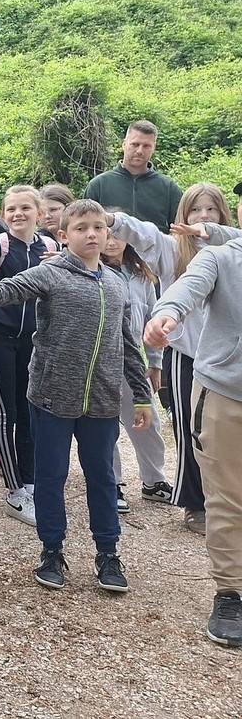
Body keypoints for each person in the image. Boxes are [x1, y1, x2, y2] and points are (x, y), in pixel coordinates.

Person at [0, 200, 152, 594]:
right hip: (50, 397)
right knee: (51, 476)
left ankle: (108, 553)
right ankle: (52, 550)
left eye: (98, 227)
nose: (92, 234)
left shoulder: (117, 283)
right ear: (64, 236)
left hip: (100, 400)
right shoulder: (50, 272)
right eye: (82, 228)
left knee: (101, 476)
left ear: (107, 233)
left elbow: (129, 344)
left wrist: (142, 395)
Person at [105, 183, 236, 534]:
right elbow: (141, 232)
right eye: (195, 210)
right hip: (187, 355)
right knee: (191, 431)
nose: (203, 216)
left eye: (211, 209)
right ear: (182, 215)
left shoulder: (234, 252)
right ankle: (195, 504)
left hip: (229, 360)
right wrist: (112, 220)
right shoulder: (169, 249)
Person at [145, 235, 242, 647]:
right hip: (225, 392)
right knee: (227, 498)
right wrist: (164, 314)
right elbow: (184, 290)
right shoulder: (219, 258)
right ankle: (231, 594)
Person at [0, 186, 59, 527]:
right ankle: (14, 490)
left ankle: (30, 483)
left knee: (32, 410)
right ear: (4, 215)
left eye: (25, 208)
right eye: (11, 209)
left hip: (35, 340)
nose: (18, 214)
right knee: (6, 412)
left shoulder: (51, 248)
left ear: (39, 212)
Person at [99, 234, 172, 511]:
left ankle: (154, 481)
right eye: (106, 236)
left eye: (117, 236)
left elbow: (152, 318)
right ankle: (112, 483)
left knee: (147, 421)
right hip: (100, 361)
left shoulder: (141, 275)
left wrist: (155, 362)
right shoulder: (93, 271)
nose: (111, 242)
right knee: (105, 426)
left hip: (132, 362)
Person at [84, 120, 182, 232]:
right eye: (135, 144)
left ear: (154, 148)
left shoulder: (169, 188)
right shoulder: (99, 185)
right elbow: (85, 224)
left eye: (146, 146)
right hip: (110, 248)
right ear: (124, 145)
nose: (140, 151)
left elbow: (179, 231)